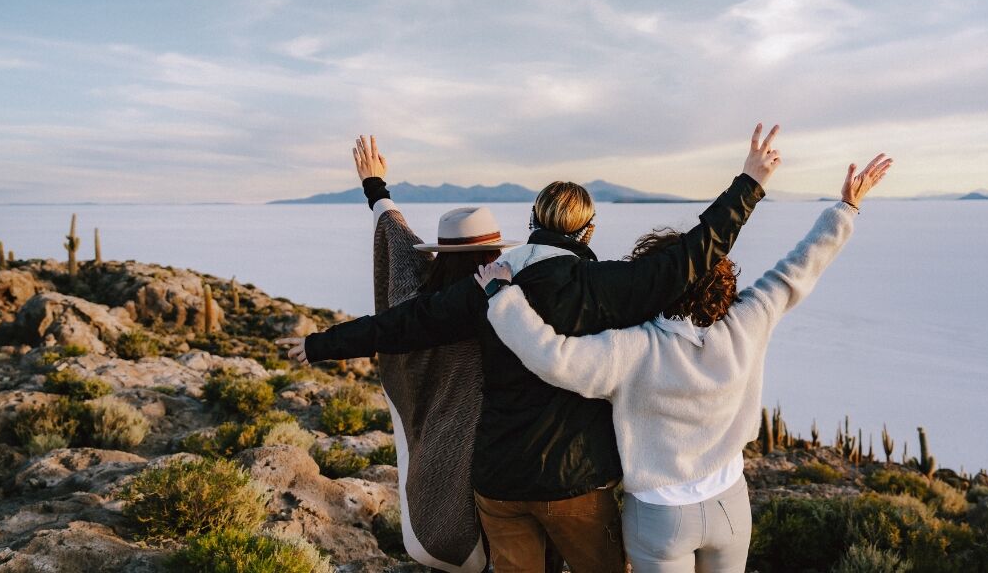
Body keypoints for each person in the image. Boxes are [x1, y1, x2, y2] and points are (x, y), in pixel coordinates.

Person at [280, 124, 783, 572]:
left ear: (532, 221)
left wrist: (319, 345)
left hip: (499, 484)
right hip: (576, 484)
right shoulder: (603, 286)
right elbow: (694, 253)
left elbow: (400, 324)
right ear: (588, 229)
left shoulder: (486, 285)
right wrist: (750, 183)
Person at [476, 153, 892, 571]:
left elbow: (552, 357)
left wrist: (503, 299)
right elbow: (799, 268)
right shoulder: (749, 321)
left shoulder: (631, 349)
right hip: (728, 502)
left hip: (659, 515)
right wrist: (846, 209)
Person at [280, 136, 520, 572]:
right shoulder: (511, 299)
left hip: (439, 430)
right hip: (502, 439)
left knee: (447, 503)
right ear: (494, 252)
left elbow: (397, 240)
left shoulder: (419, 298)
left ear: (442, 253)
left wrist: (376, 187)